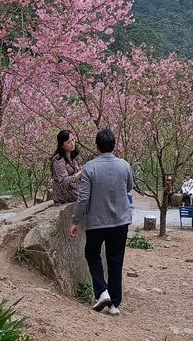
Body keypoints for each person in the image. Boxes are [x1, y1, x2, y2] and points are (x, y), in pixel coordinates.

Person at [69, 128, 133, 317]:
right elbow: (128, 187)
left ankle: (102, 291)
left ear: (97, 147)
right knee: (115, 260)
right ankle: (114, 304)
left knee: (92, 254)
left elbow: (83, 197)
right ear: (114, 145)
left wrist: (75, 220)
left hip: (97, 222)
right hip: (121, 221)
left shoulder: (90, 167)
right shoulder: (124, 165)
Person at [50, 129, 82, 205]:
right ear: (62, 145)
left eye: (73, 140)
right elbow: (63, 181)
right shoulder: (58, 160)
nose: (72, 143)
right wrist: (80, 173)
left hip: (74, 190)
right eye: (68, 142)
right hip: (64, 194)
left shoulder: (74, 157)